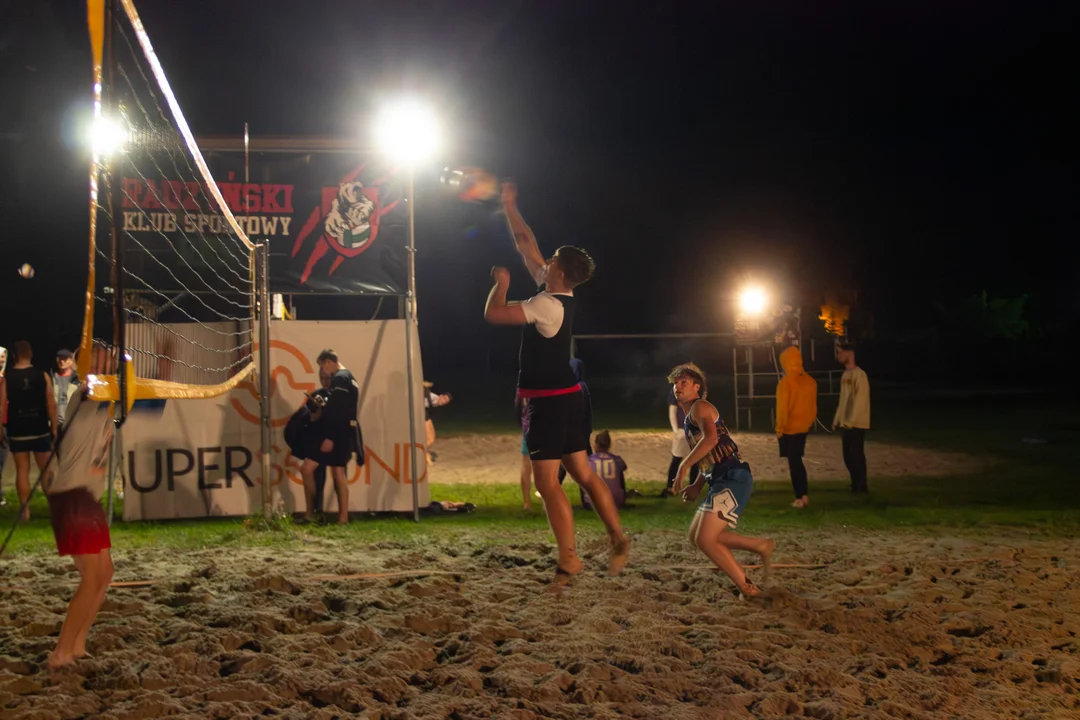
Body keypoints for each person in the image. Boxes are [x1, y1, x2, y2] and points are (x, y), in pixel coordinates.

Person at [484, 180, 631, 583]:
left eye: (550, 260)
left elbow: (494, 314)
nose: (544, 260)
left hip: (547, 403)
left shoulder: (544, 304)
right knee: (582, 473)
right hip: (568, 398)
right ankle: (618, 537)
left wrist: (500, 284)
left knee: (548, 483)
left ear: (559, 271)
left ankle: (569, 558)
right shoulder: (557, 295)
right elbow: (526, 243)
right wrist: (509, 205)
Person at [669, 363, 774, 599]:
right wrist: (697, 485)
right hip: (721, 479)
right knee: (697, 537)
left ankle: (748, 589)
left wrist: (684, 466)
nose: (678, 386)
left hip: (733, 478)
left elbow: (711, 439)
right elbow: (708, 454)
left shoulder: (700, 407)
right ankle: (759, 545)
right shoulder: (691, 416)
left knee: (706, 539)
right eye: (675, 383)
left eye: (683, 382)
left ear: (697, 387)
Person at [41, 377, 116, 669]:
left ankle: (78, 644)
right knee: (92, 578)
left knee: (105, 572)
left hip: (87, 498)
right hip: (72, 497)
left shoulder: (107, 405)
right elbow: (92, 383)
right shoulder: (85, 399)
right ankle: (60, 653)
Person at [300, 349, 361, 525]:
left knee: (309, 469)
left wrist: (330, 437)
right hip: (344, 433)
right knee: (337, 472)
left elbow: (338, 412)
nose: (323, 372)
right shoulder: (349, 378)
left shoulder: (340, 378)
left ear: (328, 361)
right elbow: (341, 409)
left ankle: (311, 514)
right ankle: (341, 518)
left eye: (322, 367)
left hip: (337, 434)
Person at [0, 341, 58, 521]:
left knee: (22, 470)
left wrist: (0, 429)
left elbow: (1, 406)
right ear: (30, 353)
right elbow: (51, 402)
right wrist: (54, 427)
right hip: (39, 427)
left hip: (17, 428)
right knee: (46, 469)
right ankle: (54, 507)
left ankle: (24, 510)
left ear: (15, 355)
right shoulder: (42, 375)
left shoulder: (8, 378)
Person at [775, 345, 818, 508]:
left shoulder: (785, 383)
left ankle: (801, 496)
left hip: (789, 429)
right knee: (797, 461)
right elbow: (813, 407)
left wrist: (779, 429)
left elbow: (782, 409)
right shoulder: (810, 382)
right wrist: (808, 423)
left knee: (795, 463)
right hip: (803, 428)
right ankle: (802, 494)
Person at [285, 369, 331, 515]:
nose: (325, 381)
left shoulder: (340, 396)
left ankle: (317, 512)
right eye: (322, 378)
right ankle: (313, 512)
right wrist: (315, 412)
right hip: (318, 441)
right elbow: (310, 420)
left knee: (335, 475)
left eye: (327, 378)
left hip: (334, 439)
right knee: (312, 472)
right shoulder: (317, 395)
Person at [833, 343, 870, 493]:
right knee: (847, 456)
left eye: (840, 352)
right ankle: (854, 483)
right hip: (846, 423)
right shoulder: (845, 374)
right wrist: (838, 419)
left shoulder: (859, 374)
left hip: (856, 423)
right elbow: (843, 400)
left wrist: (852, 419)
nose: (838, 356)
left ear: (850, 353)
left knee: (856, 455)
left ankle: (861, 486)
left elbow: (860, 399)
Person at [557, 358, 592, 485]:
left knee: (569, 460)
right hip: (580, 431)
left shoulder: (576, 387)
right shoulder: (581, 387)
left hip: (574, 431)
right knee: (584, 461)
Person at [662, 386, 698, 498]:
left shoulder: (700, 388)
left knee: (696, 460)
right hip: (682, 429)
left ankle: (692, 487)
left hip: (696, 429)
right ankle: (670, 487)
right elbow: (672, 409)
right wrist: (676, 430)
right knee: (677, 459)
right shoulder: (676, 388)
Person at [584, 430, 626, 511]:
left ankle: (587, 498)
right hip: (615, 501)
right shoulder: (616, 459)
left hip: (593, 502)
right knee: (619, 471)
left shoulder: (589, 460)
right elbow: (623, 467)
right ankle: (619, 495)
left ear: (596, 445)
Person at [423, 382, 452, 464]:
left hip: (423, 414)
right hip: (421, 414)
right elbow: (421, 392)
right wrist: (425, 387)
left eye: (446, 402)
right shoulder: (432, 397)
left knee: (431, 438)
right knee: (430, 438)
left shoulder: (436, 403)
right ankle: (422, 453)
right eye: (444, 399)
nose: (444, 402)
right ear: (441, 396)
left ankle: (424, 453)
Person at [52, 349, 80, 428]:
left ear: (71, 361)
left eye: (65, 359)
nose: (62, 361)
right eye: (60, 358)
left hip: (72, 422)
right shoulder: (51, 378)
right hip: (55, 422)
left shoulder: (77, 379)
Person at [0, 345, 8, 506]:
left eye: (3, 356)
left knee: (1, 461)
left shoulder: (6, 376)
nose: (1, 359)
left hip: (6, 424)